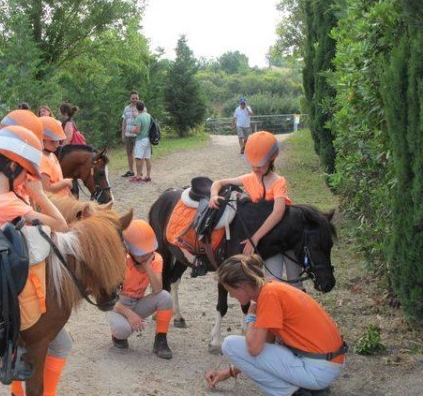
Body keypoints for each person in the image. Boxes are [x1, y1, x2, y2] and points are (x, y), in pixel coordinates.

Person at [0, 125, 71, 396]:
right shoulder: (9, 203)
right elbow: (62, 226)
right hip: (25, 287)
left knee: (55, 345)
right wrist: (39, 194)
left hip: (15, 273)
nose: (26, 180)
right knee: (54, 346)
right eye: (25, 173)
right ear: (11, 167)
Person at [205, 254, 346, 396]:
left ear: (242, 286)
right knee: (267, 344)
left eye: (230, 291)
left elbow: (254, 348)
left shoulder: (269, 295)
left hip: (318, 369)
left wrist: (251, 317)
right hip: (325, 365)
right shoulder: (271, 290)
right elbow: (266, 345)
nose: (231, 296)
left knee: (230, 344)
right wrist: (229, 372)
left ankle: (295, 393)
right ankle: (304, 390)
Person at [209, 131, 304, 290]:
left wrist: (255, 238)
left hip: (287, 237)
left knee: (296, 282)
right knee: (273, 282)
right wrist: (213, 195)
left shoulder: (279, 181)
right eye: (252, 165)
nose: (255, 168)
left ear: (272, 158)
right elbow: (218, 182)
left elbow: (278, 212)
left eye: (259, 165)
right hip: (269, 241)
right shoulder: (248, 179)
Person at [106, 219, 174, 359]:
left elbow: (157, 290)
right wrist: (129, 314)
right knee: (123, 330)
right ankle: (117, 335)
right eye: (140, 252)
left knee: (165, 297)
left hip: (136, 302)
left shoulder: (156, 259)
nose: (146, 255)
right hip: (116, 305)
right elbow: (109, 299)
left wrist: (148, 266)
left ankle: (161, 340)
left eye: (148, 251)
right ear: (129, 248)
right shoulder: (119, 261)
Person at [39, 116, 74, 197]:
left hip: (62, 200)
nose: (57, 144)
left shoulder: (52, 155)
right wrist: (65, 183)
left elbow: (58, 180)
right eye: (53, 141)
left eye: (58, 140)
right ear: (41, 140)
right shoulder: (42, 160)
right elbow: (46, 189)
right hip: (56, 203)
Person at [127, 100, 152, 183]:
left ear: (137, 108)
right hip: (148, 139)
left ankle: (138, 176)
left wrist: (131, 130)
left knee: (138, 158)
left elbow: (138, 130)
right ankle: (148, 176)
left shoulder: (139, 117)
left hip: (141, 140)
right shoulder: (148, 115)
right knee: (147, 158)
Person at [120, 91, 139, 177]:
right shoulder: (126, 108)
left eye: (136, 98)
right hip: (128, 135)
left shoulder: (141, 108)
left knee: (139, 153)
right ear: (130, 99)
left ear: (138, 98)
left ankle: (139, 171)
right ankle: (131, 171)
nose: (134, 100)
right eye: (133, 98)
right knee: (129, 153)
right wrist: (123, 134)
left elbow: (144, 120)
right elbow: (124, 121)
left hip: (137, 135)